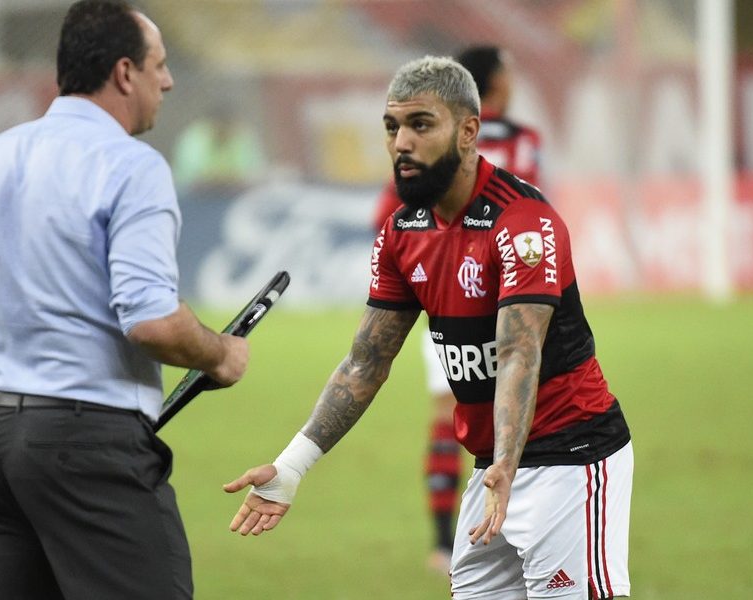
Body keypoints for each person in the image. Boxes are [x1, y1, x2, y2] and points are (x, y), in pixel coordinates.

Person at [225, 55, 632, 600]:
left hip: (572, 458)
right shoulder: (404, 230)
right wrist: (291, 467)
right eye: (392, 127)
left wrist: (506, 467)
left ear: (468, 131)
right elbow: (366, 363)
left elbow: (518, 352)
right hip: (492, 467)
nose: (401, 144)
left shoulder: (523, 222)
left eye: (421, 125)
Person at [0, 2, 248, 598]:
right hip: (84, 448)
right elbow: (152, 320)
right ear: (123, 73)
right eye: (159, 67)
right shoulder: (132, 166)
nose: (167, 81)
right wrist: (219, 354)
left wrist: (19, 371)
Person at [368, 44, 544, 574]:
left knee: (448, 419)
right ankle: (527, 529)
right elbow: (538, 205)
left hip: (447, 294)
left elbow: (392, 213)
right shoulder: (521, 140)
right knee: (528, 413)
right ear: (494, 81)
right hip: (517, 290)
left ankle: (443, 542)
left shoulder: (423, 144)